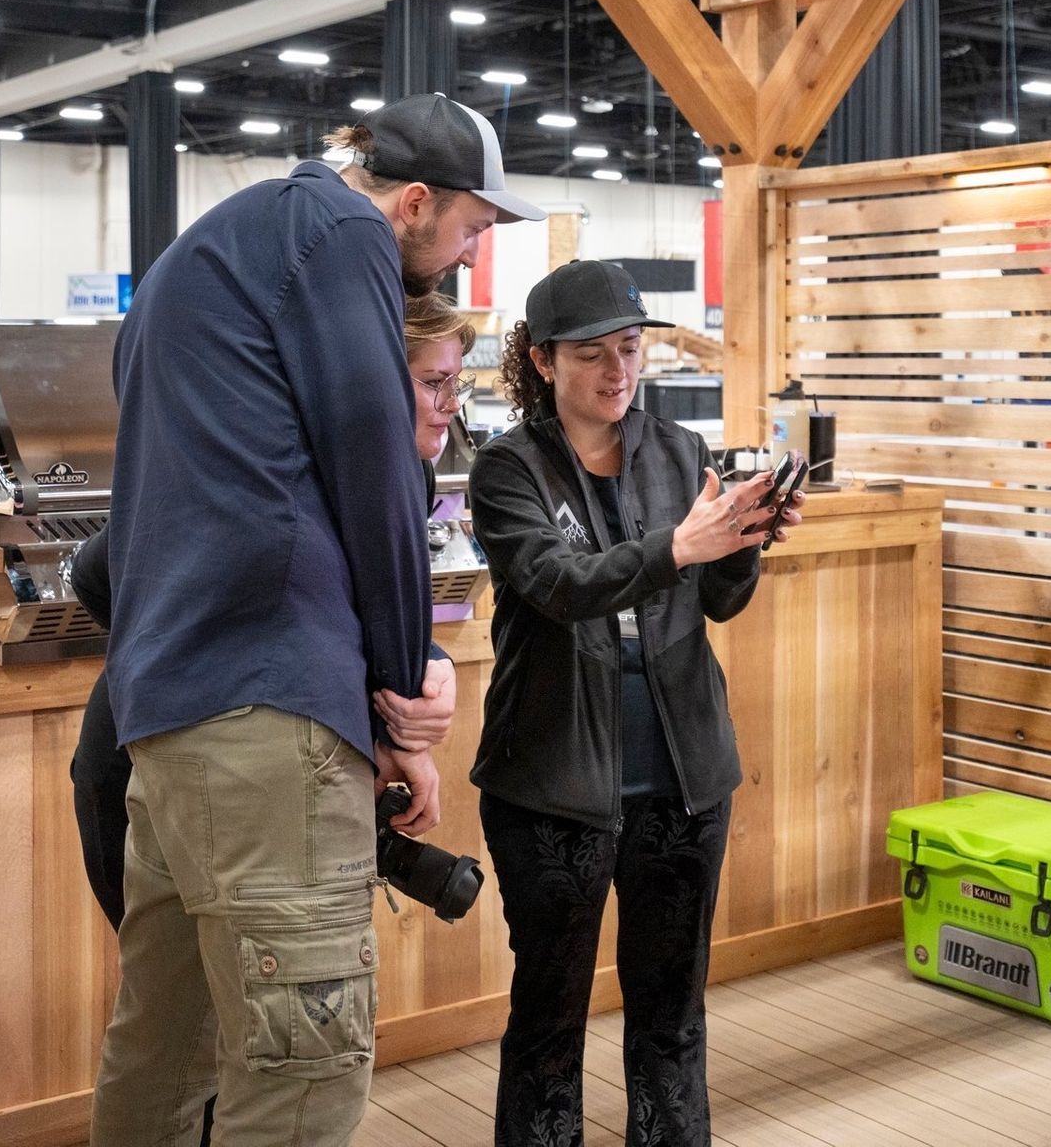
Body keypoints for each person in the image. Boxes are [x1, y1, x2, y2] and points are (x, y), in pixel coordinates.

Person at [92, 93, 540, 1147]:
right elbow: (372, 452)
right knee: (302, 1073)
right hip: (268, 717)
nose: (470, 255)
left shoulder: (214, 248)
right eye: (472, 226)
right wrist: (402, 682)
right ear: (415, 201)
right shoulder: (344, 230)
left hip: (169, 719)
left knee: (165, 1048)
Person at [467, 260, 804, 1147]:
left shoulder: (678, 451)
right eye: (592, 355)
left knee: (672, 1013)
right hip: (552, 784)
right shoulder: (509, 470)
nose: (618, 372)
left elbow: (718, 600)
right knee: (549, 1022)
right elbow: (558, 583)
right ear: (543, 363)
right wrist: (682, 545)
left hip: (682, 779)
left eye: (630, 347)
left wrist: (743, 541)